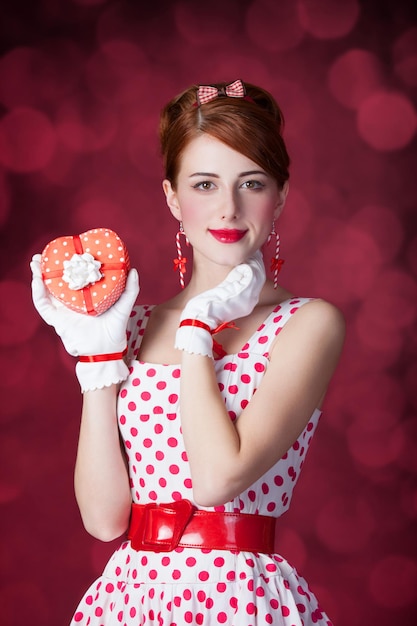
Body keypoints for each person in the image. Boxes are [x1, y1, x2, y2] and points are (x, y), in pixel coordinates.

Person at [31, 79, 345, 625]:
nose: (228, 207)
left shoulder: (308, 323)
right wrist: (98, 363)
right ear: (173, 197)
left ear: (282, 196)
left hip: (238, 599)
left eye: (252, 182)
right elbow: (105, 521)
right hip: (128, 600)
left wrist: (199, 327)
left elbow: (218, 479)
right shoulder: (130, 327)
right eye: (204, 184)